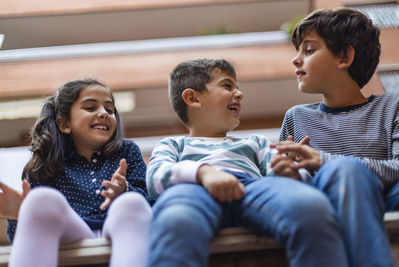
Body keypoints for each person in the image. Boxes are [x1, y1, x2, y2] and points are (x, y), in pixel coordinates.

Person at [146, 58, 350, 267]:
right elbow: (155, 178)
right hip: (193, 190)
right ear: (193, 98)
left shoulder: (256, 142)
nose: (240, 93)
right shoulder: (172, 144)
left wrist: (291, 173)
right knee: (176, 219)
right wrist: (204, 173)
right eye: (227, 85)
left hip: (252, 188)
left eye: (238, 87)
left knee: (310, 205)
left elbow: (280, 180)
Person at [270, 8, 398, 267]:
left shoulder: (393, 106)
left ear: (344, 56)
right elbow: (284, 184)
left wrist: (325, 160)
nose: (296, 60)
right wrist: (287, 175)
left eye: (308, 50)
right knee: (342, 172)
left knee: (346, 169)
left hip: (385, 196)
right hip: (324, 203)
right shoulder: (296, 118)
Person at [1, 78, 152, 267]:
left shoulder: (127, 151)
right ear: (64, 123)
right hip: (72, 241)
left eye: (110, 109)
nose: (104, 113)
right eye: (90, 108)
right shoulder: (46, 164)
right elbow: (20, 240)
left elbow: (151, 206)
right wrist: (19, 216)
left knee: (132, 202)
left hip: (122, 237)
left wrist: (125, 190)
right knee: (40, 199)